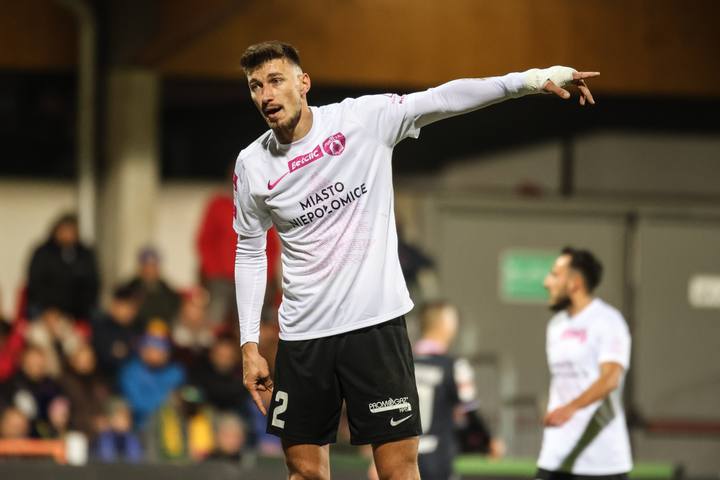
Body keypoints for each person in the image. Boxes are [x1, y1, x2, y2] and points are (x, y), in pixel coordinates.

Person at [233, 40, 598, 480]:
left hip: (375, 327)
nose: (266, 95)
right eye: (256, 86)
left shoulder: (361, 120)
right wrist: (249, 345)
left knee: (399, 471)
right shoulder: (252, 165)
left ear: (303, 82)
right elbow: (249, 250)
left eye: (275, 81)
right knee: (304, 473)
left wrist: (531, 80)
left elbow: (443, 98)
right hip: (303, 337)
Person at [536, 247, 632, 480]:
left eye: (555, 275)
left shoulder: (608, 321)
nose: (546, 282)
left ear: (575, 283)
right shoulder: (556, 325)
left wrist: (571, 408)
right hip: (555, 457)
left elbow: (610, 379)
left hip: (601, 463)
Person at [413, 302, 502, 480]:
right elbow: (470, 411)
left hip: (404, 457)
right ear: (446, 324)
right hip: (438, 459)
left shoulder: (403, 365)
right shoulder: (455, 367)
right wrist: (488, 442)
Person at [26, 213, 99, 320]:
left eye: (71, 231)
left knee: (98, 317)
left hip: (79, 309)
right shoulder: (43, 253)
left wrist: (75, 311)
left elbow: (92, 285)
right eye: (64, 230)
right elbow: (35, 285)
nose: (67, 235)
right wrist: (50, 310)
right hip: (45, 307)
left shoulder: (85, 254)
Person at [122, 247, 181, 327]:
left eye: (153, 266)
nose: (149, 270)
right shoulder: (126, 291)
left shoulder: (170, 294)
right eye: (146, 266)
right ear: (140, 268)